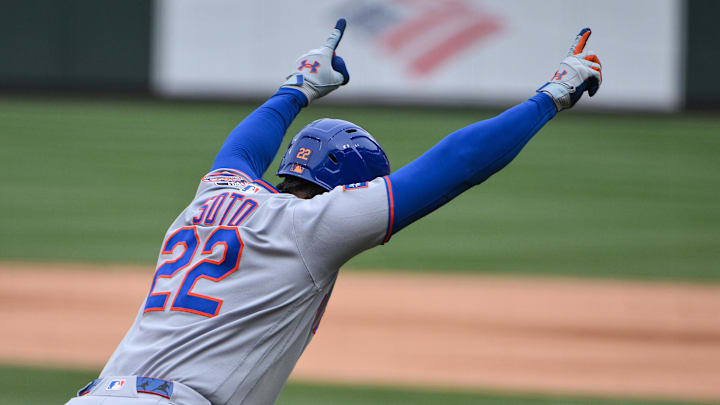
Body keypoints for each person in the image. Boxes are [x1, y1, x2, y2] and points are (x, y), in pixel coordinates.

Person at [65, 18, 601, 405]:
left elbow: (241, 152)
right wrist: (549, 98)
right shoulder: (313, 226)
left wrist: (297, 86)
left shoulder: (212, 197)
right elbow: (455, 164)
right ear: (345, 190)